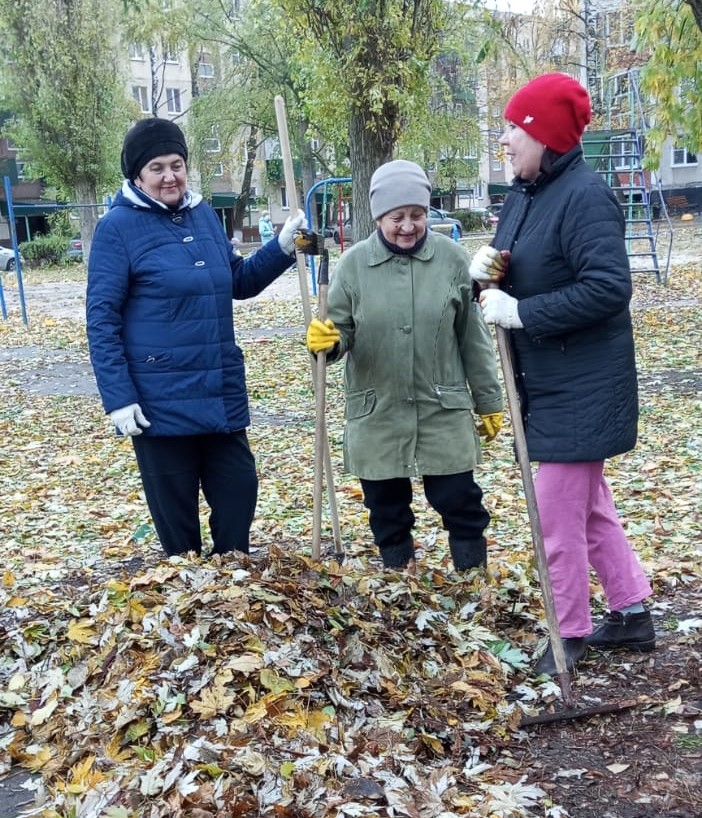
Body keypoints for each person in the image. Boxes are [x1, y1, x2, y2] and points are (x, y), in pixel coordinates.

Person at [469, 73, 654, 675]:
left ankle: (567, 630)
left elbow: (608, 287)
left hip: (584, 386)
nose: (503, 141)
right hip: (548, 382)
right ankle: (631, 613)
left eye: (511, 130)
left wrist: (522, 312)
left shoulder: (584, 195)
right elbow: (513, 267)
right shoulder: (528, 193)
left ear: (542, 135)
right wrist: (485, 273)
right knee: (588, 504)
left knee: (556, 511)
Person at [86, 117, 306, 558]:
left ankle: (232, 590)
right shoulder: (117, 229)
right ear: (137, 176)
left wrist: (280, 247)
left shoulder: (203, 214)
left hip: (218, 390)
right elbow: (102, 319)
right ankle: (187, 599)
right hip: (159, 402)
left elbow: (238, 281)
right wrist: (118, 397)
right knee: (177, 522)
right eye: (157, 168)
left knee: (239, 492)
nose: (170, 176)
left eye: (177, 164)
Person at [306, 159, 504, 572]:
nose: (409, 226)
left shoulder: (452, 260)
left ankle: (473, 580)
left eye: (417, 215)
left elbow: (473, 337)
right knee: (386, 508)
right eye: (397, 217)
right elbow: (339, 331)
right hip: (378, 410)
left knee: (459, 500)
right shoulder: (353, 266)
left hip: (441, 408)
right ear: (379, 216)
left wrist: (489, 400)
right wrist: (328, 342)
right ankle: (400, 581)